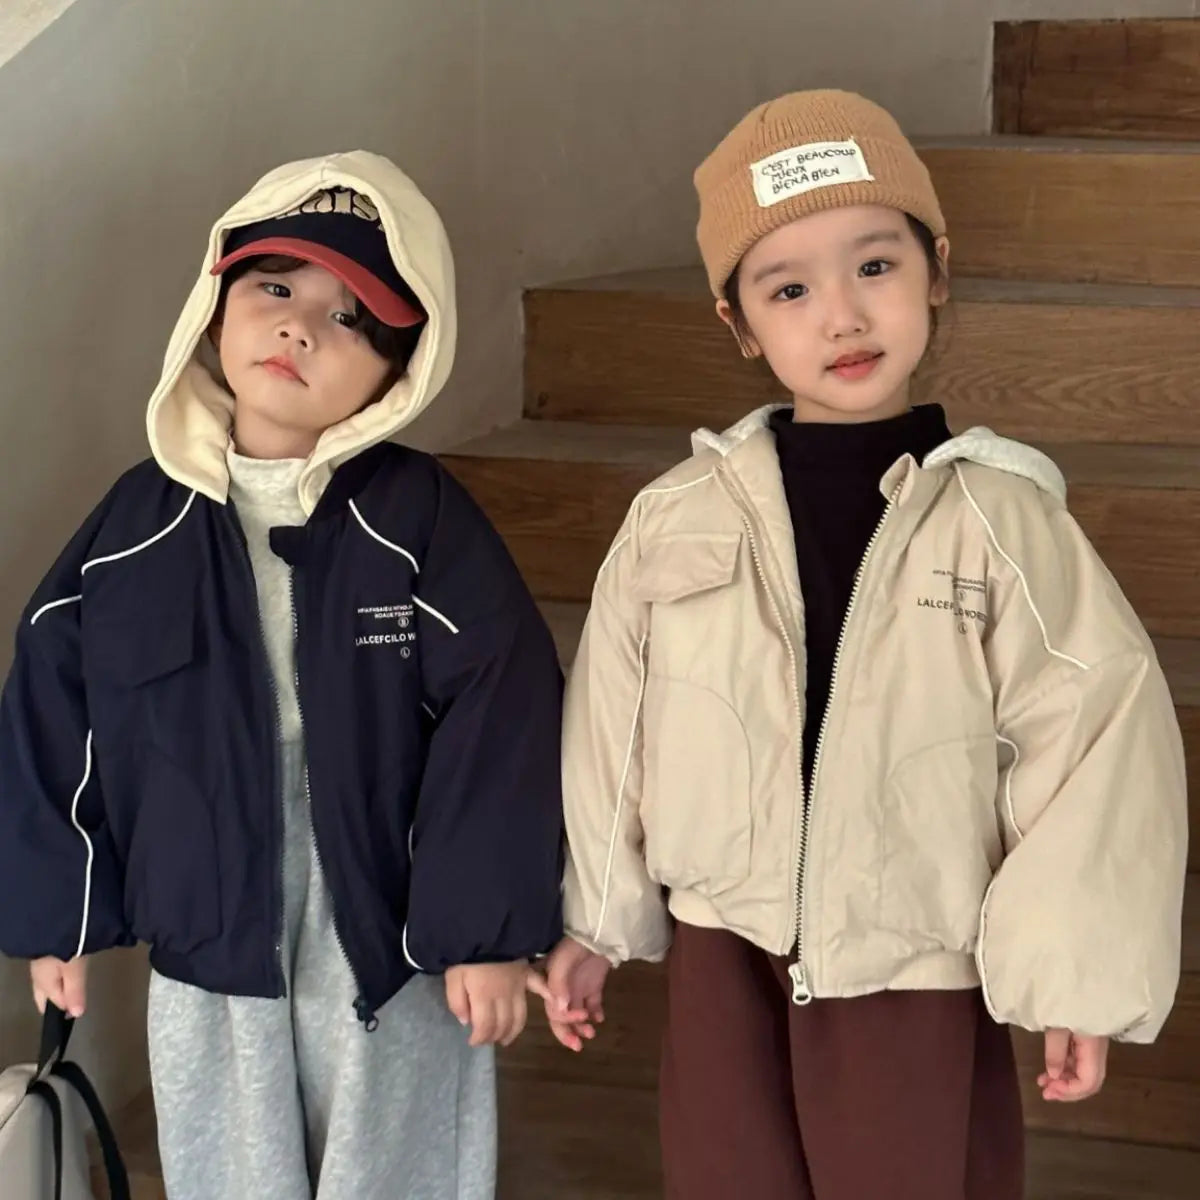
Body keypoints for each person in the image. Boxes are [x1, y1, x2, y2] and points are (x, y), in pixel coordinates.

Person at [540, 91, 1188, 1200]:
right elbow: (615, 722)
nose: (840, 316)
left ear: (936, 271)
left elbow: (1095, 730)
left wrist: (1074, 975)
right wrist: (597, 920)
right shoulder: (679, 518)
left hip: (913, 963)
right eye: (788, 289)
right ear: (740, 324)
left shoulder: (1001, 520)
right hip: (724, 950)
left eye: (875, 266)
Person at [0, 151, 571, 1199]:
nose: (300, 327)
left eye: (349, 316)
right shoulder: (135, 526)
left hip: (388, 934)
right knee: (229, 1169)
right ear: (216, 305)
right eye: (275, 288)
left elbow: (504, 712)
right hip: (208, 927)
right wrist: (58, 915)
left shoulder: (418, 520)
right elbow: (53, 708)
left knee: (395, 1168)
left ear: (401, 370)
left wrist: (485, 935)